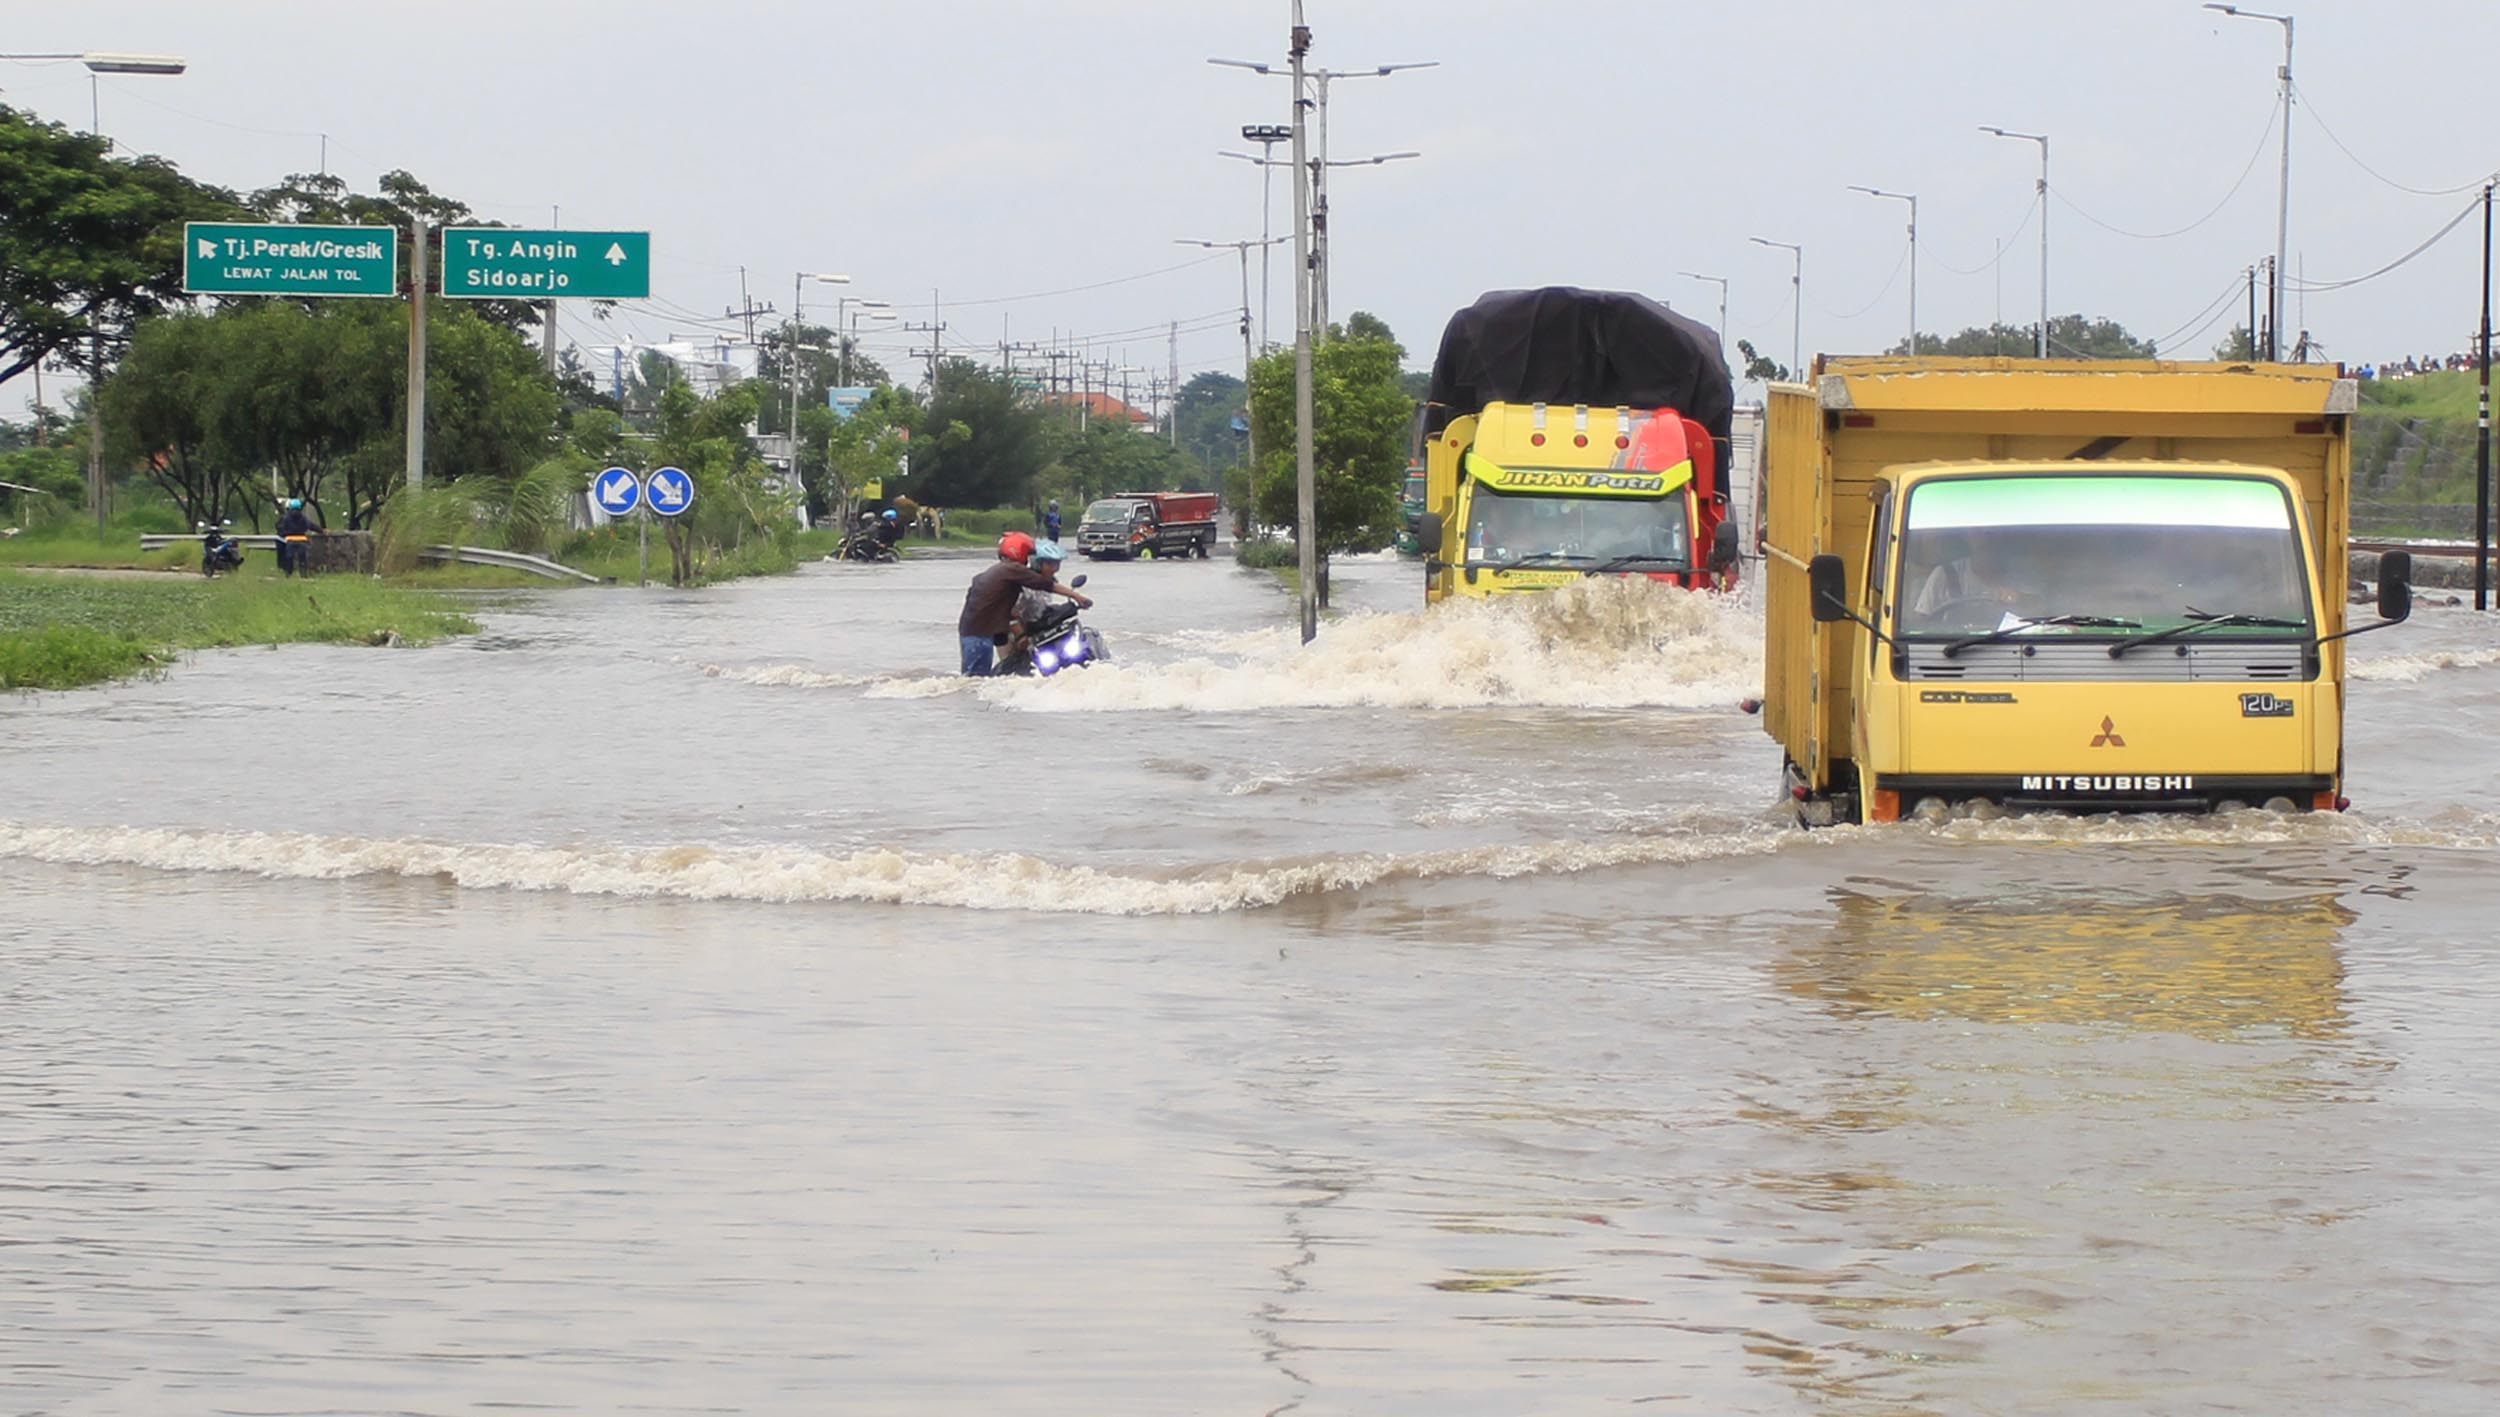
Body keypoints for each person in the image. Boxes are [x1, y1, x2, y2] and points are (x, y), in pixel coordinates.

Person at [958, 532, 1091, 676]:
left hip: (977, 631)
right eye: (1028, 553)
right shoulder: (1013, 570)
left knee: (975, 678)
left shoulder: (998, 571)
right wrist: (1077, 596)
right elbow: (1045, 585)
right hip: (983, 633)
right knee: (976, 678)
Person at [275, 497, 315, 576]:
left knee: (289, 557)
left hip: (290, 540)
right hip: (302, 540)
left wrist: (284, 534)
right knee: (302, 558)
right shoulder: (303, 517)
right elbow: (311, 525)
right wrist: (322, 530)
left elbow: (280, 528)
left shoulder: (286, 518)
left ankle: (288, 573)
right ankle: (303, 574)